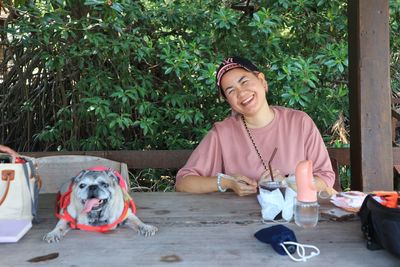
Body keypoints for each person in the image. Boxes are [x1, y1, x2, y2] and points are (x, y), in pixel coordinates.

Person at [175, 56, 336, 196]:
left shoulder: (299, 122)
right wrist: (227, 182)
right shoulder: (222, 133)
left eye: (244, 81)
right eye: (231, 91)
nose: (241, 93)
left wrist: (288, 184)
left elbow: (325, 177)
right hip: (241, 222)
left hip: (296, 218)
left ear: (262, 80)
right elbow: (183, 183)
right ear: (229, 102)